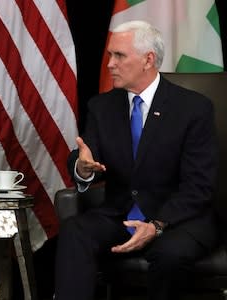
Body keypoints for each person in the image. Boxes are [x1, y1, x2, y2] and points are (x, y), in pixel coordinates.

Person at [54, 20, 219, 300]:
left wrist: (156, 226)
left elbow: (199, 186)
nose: (109, 64)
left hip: (179, 220)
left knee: (170, 255)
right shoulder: (101, 106)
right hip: (121, 215)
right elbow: (86, 155)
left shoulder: (193, 108)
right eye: (109, 56)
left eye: (119, 56)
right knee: (74, 230)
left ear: (148, 59)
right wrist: (82, 168)